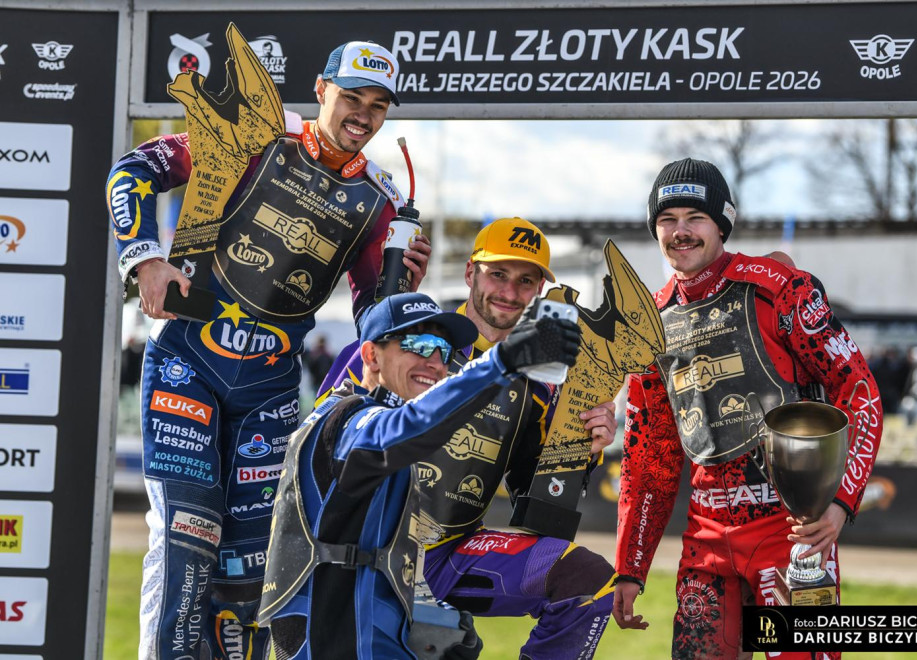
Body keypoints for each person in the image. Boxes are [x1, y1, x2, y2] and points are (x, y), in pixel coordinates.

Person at [106, 40, 429, 659]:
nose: (362, 115)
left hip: (270, 387)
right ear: (321, 90)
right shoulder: (256, 137)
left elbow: (372, 321)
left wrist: (402, 291)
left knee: (252, 565)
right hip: (187, 360)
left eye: (378, 105)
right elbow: (134, 170)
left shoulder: (380, 201)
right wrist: (143, 259)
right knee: (186, 538)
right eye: (352, 97)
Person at [612, 158, 883, 659]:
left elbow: (859, 390)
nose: (680, 231)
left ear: (722, 224)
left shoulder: (780, 289)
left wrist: (841, 502)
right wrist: (630, 566)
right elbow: (649, 455)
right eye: (667, 219)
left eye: (695, 217)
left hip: (792, 532)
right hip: (706, 540)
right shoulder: (649, 323)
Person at [318, 217, 619, 658]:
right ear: (469, 273)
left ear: (539, 290)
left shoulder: (541, 386)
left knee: (586, 580)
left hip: (449, 555)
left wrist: (581, 450)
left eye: (525, 280)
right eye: (498, 274)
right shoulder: (401, 336)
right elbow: (322, 442)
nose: (509, 292)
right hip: (363, 549)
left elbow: (535, 501)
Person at [261, 291, 582, 658]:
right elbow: (411, 425)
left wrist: (431, 621)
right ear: (371, 355)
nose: (435, 362)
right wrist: (502, 362)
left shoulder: (367, 423)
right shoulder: (350, 421)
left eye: (444, 352)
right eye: (418, 345)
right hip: (334, 645)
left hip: (366, 636)